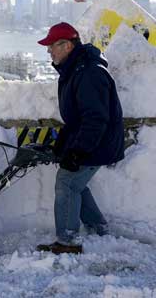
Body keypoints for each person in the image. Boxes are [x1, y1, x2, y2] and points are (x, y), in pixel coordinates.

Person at [35, 22, 125, 255]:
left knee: (66, 182)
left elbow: (95, 118)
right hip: (92, 141)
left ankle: (67, 241)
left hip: (98, 142)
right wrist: (64, 145)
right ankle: (99, 229)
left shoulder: (88, 72)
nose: (49, 52)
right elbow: (77, 118)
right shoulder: (75, 69)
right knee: (76, 183)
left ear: (67, 45)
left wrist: (78, 151)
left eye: (52, 46)